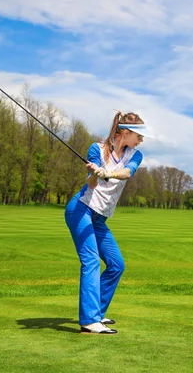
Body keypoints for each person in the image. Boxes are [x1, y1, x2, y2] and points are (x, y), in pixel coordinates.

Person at [64, 111, 153, 335]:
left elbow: (126, 173)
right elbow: (92, 185)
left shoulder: (135, 155)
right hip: (81, 211)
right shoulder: (97, 150)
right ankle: (89, 322)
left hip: (99, 218)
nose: (140, 140)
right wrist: (94, 173)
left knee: (116, 264)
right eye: (138, 135)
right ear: (125, 132)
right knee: (92, 262)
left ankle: (97, 312)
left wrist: (109, 173)